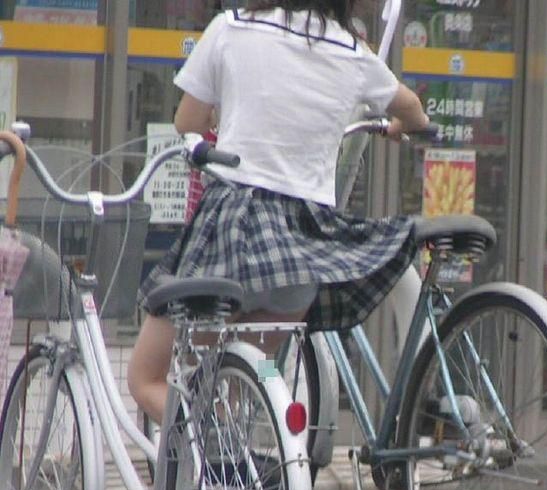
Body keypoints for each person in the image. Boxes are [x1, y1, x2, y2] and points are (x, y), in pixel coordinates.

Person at [128, 0, 430, 424]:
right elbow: (412, 107)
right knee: (243, 375)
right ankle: (236, 445)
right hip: (302, 252)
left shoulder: (230, 28)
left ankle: (199, 441)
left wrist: (221, 110)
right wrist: (402, 127)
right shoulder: (351, 49)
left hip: (232, 237)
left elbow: (187, 123)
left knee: (146, 378)